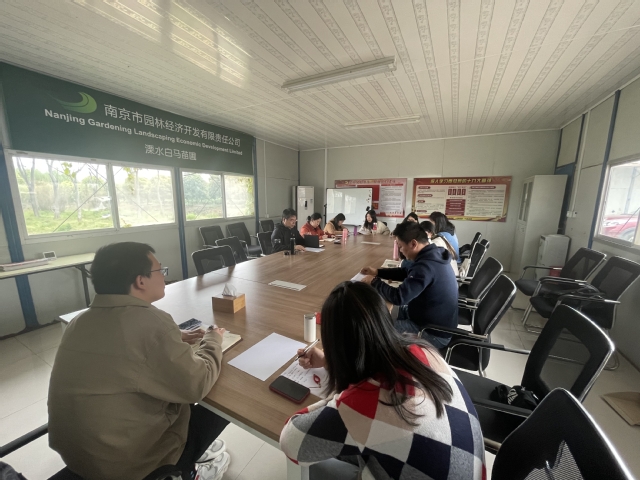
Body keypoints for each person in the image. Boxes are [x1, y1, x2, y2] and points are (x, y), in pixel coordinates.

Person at [48, 242, 230, 480]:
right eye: (160, 270)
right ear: (140, 281)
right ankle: (187, 470)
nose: (164, 276)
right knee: (226, 401)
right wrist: (213, 339)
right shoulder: (152, 322)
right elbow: (197, 384)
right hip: (134, 465)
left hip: (81, 455)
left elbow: (120, 348)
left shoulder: (79, 322)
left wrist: (172, 336)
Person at [280, 282, 485, 480]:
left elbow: (290, 443)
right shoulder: (423, 349)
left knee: (316, 464)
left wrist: (340, 394)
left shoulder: (369, 403)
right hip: (466, 468)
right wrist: (330, 362)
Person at [360, 221, 458, 348]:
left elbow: (399, 297)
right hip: (424, 315)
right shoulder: (433, 255)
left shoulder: (426, 266)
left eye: (400, 246)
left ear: (413, 244)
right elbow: (406, 272)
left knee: (376, 330)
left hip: (432, 332)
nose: (400, 250)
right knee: (381, 313)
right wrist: (377, 272)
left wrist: (374, 281)